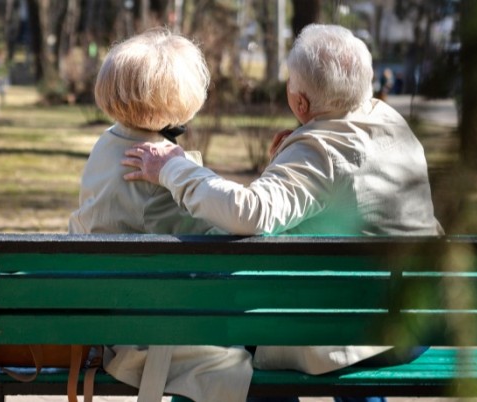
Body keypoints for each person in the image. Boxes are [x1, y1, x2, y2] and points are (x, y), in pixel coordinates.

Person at [122, 24, 442, 399]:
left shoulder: (320, 152)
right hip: (418, 321)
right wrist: (287, 161)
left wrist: (172, 168)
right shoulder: (392, 124)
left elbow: (250, 214)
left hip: (363, 333)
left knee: (227, 341)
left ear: (300, 102)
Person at [69, 28, 251, 402]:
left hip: (109, 313)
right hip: (145, 332)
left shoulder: (108, 143)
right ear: (181, 97)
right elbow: (225, 237)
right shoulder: (155, 168)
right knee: (250, 360)